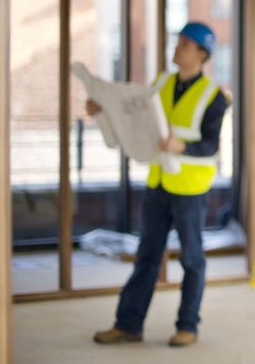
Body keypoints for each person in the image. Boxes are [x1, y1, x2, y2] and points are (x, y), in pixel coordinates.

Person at [91, 22, 229, 348]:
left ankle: (188, 326)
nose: (177, 48)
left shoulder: (214, 97)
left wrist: (183, 146)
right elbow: (134, 117)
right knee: (147, 257)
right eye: (177, 42)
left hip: (190, 190)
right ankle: (128, 325)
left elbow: (211, 145)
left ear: (201, 53)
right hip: (158, 184)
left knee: (192, 260)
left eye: (184, 44)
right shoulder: (161, 82)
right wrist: (105, 111)